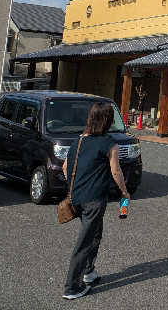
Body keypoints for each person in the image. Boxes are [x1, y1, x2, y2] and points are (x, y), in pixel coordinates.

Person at [62, 102, 131, 300]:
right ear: (108, 121)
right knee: (85, 242)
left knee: (95, 234)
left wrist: (76, 187)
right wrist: (124, 192)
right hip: (94, 200)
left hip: (76, 197)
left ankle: (89, 271)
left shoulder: (79, 141)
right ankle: (72, 287)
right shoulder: (109, 143)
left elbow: (66, 167)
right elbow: (116, 171)